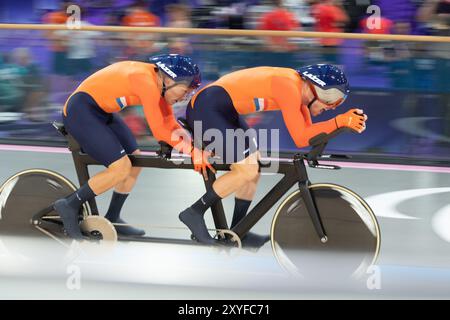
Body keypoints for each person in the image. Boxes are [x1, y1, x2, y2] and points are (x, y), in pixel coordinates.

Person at [179, 64, 368, 246]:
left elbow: (310, 133)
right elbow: (301, 138)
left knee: (256, 167)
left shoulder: (299, 94)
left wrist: (342, 125)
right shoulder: (288, 85)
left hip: (223, 111)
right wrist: (339, 121)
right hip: (207, 108)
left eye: (339, 100)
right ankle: (194, 212)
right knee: (247, 170)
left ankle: (237, 231)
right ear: (316, 86)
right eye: (332, 97)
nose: (333, 105)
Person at [54, 54, 203, 240]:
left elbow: (170, 123)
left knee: (136, 160)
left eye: (190, 93)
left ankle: (113, 217)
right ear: (169, 79)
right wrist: (193, 152)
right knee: (121, 168)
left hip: (101, 112)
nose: (185, 97)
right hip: (81, 110)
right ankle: (68, 204)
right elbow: (159, 131)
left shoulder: (159, 84)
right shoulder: (145, 81)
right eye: (185, 90)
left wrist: (195, 148)